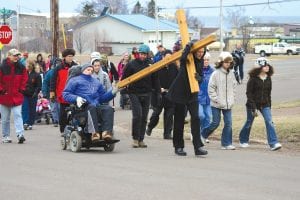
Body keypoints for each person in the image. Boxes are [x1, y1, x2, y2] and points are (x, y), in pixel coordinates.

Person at [167, 43, 208, 157]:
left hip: (192, 94)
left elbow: (200, 76)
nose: (200, 54)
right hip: (180, 93)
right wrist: (188, 48)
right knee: (179, 120)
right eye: (198, 51)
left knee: (196, 118)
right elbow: (183, 58)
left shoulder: (200, 61)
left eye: (202, 52)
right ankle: (178, 146)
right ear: (194, 52)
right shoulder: (188, 59)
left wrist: (200, 79)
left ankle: (197, 147)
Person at [63, 63, 119, 141]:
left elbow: (102, 98)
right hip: (82, 107)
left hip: (95, 105)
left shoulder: (96, 82)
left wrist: (112, 93)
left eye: (91, 70)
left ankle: (106, 133)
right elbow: (66, 94)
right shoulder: (74, 80)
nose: (90, 71)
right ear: (82, 70)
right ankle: (94, 133)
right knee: (91, 107)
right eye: (88, 70)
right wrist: (76, 98)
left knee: (108, 108)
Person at [239, 57, 282, 151]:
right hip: (252, 104)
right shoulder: (253, 79)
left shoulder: (268, 78)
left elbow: (268, 93)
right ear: (259, 67)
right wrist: (253, 108)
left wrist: (269, 106)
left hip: (265, 104)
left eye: (268, 66)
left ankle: (273, 143)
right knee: (249, 122)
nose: (267, 67)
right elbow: (249, 94)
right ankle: (243, 140)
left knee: (269, 121)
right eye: (265, 66)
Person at [122, 44, 160, 148]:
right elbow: (124, 78)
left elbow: (155, 79)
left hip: (147, 93)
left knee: (144, 117)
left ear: (148, 55)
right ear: (138, 54)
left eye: (145, 54)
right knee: (137, 115)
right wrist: (125, 90)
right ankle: (135, 139)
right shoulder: (131, 64)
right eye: (141, 54)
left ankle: (141, 139)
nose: (143, 56)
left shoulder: (151, 64)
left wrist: (158, 92)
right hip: (134, 93)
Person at [201, 52, 237, 150]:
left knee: (228, 123)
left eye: (229, 62)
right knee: (215, 123)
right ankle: (203, 135)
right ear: (221, 62)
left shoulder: (232, 73)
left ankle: (226, 143)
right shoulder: (215, 73)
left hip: (228, 104)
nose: (227, 64)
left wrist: (232, 98)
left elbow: (234, 87)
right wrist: (216, 99)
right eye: (226, 62)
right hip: (216, 104)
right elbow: (211, 88)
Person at [146, 49, 178, 139]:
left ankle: (167, 133)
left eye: (170, 58)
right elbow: (152, 80)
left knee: (169, 115)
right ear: (163, 57)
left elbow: (177, 80)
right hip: (159, 94)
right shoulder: (157, 67)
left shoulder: (174, 67)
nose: (168, 60)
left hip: (170, 95)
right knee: (156, 114)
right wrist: (158, 88)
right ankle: (150, 127)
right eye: (166, 57)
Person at [0, 49, 28, 143]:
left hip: (17, 96)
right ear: (9, 56)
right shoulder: (2, 67)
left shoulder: (21, 67)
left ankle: (20, 134)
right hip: (4, 96)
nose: (16, 57)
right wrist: (2, 91)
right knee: (5, 118)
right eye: (14, 55)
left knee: (17, 115)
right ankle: (6, 136)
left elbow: (24, 78)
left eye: (17, 55)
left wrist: (21, 89)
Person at [50, 48, 77, 135]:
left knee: (75, 112)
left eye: (72, 56)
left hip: (74, 94)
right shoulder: (58, 68)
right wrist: (52, 92)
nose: (70, 58)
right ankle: (63, 130)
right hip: (62, 94)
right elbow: (53, 81)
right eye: (69, 56)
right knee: (63, 114)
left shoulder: (76, 67)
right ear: (64, 57)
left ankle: (74, 129)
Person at [198, 52, 214, 143]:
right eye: (204, 60)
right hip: (198, 97)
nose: (206, 61)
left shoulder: (212, 71)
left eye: (208, 60)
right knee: (201, 115)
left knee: (208, 117)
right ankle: (196, 133)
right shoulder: (198, 70)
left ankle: (204, 134)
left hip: (208, 98)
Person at [22, 60, 42, 130]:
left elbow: (39, 86)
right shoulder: (24, 74)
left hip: (33, 95)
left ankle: (30, 123)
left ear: (30, 66)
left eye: (27, 65)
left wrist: (36, 93)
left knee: (32, 109)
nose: (26, 66)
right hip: (24, 94)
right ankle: (25, 122)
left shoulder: (37, 75)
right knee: (25, 108)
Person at [42, 58, 61, 127]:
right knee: (53, 108)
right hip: (51, 93)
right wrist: (44, 92)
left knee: (59, 107)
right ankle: (55, 120)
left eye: (59, 63)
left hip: (60, 93)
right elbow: (45, 82)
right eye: (57, 63)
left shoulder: (62, 72)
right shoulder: (50, 73)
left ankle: (60, 120)